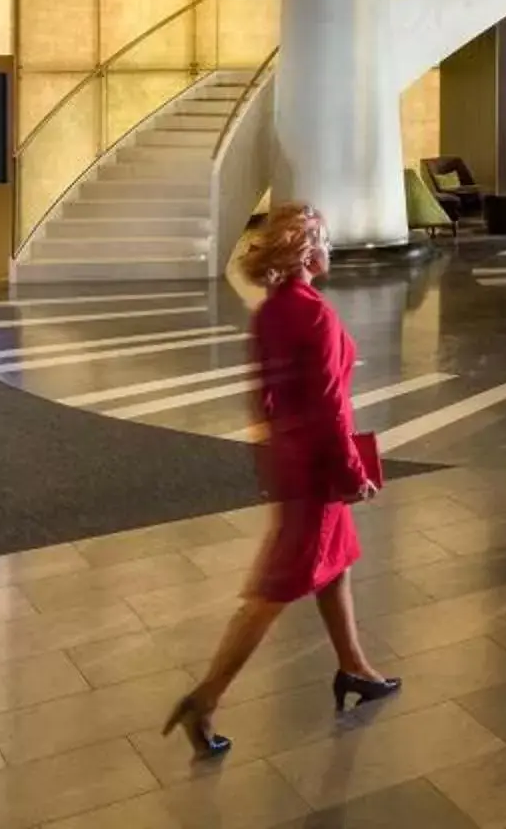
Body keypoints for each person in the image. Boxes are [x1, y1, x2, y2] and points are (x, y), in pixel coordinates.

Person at [165, 203, 399, 756]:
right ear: (307, 250)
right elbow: (329, 409)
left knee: (334, 563)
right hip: (318, 466)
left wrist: (272, 450)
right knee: (274, 589)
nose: (332, 250)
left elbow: (264, 394)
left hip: (293, 457)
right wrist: (351, 472)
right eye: (327, 241)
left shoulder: (273, 309)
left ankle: (354, 667)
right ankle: (205, 698)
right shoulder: (311, 314)